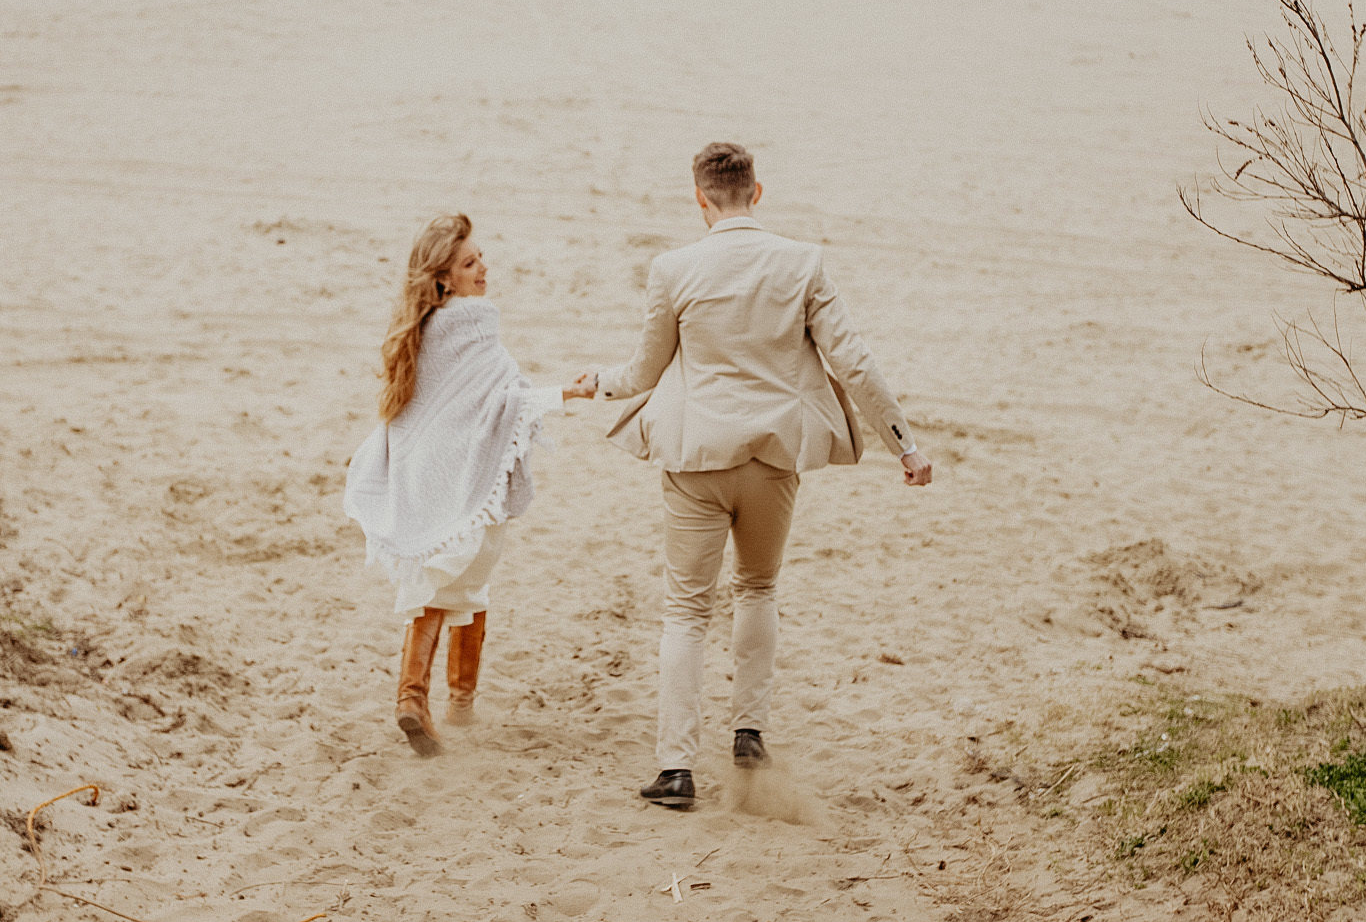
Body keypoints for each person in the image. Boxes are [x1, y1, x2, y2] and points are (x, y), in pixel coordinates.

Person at [589, 143, 931, 808]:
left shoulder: (673, 269)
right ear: (757, 192)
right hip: (773, 458)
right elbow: (854, 363)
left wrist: (596, 386)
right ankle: (749, 732)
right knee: (758, 588)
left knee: (687, 609)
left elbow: (643, 373)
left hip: (696, 459)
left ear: (699, 197)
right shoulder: (802, 263)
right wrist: (905, 447)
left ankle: (676, 769)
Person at [344, 214, 596, 756]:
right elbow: (505, 402)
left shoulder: (423, 329)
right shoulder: (476, 323)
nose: (484, 268)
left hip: (430, 473)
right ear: (444, 279)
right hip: (467, 472)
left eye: (480, 257)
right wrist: (566, 394)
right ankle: (430, 700)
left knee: (444, 578)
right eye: (469, 263)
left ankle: (442, 700)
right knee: (464, 579)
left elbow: (426, 407)